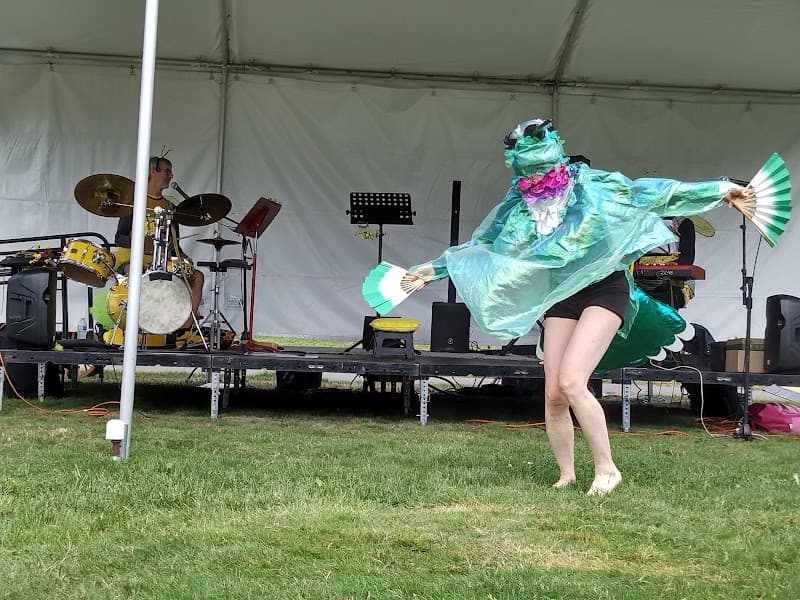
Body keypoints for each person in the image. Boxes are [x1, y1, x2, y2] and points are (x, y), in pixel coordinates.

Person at [405, 119, 752, 495]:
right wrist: (432, 270)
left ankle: (607, 470)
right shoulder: (519, 203)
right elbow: (482, 243)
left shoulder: (591, 184)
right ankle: (566, 475)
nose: (539, 175)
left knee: (572, 381)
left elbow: (654, 193)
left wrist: (720, 191)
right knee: (554, 392)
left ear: (556, 154)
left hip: (605, 289)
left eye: (543, 167)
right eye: (531, 170)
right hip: (562, 295)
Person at [113, 156, 204, 330]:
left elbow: (175, 244)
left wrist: (184, 259)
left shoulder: (170, 206)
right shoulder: (134, 202)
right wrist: (140, 241)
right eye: (167, 171)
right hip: (135, 257)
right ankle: (136, 327)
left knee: (197, 277)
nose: (171, 175)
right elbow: (119, 237)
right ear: (152, 172)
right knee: (133, 270)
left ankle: (181, 329)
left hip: (162, 260)